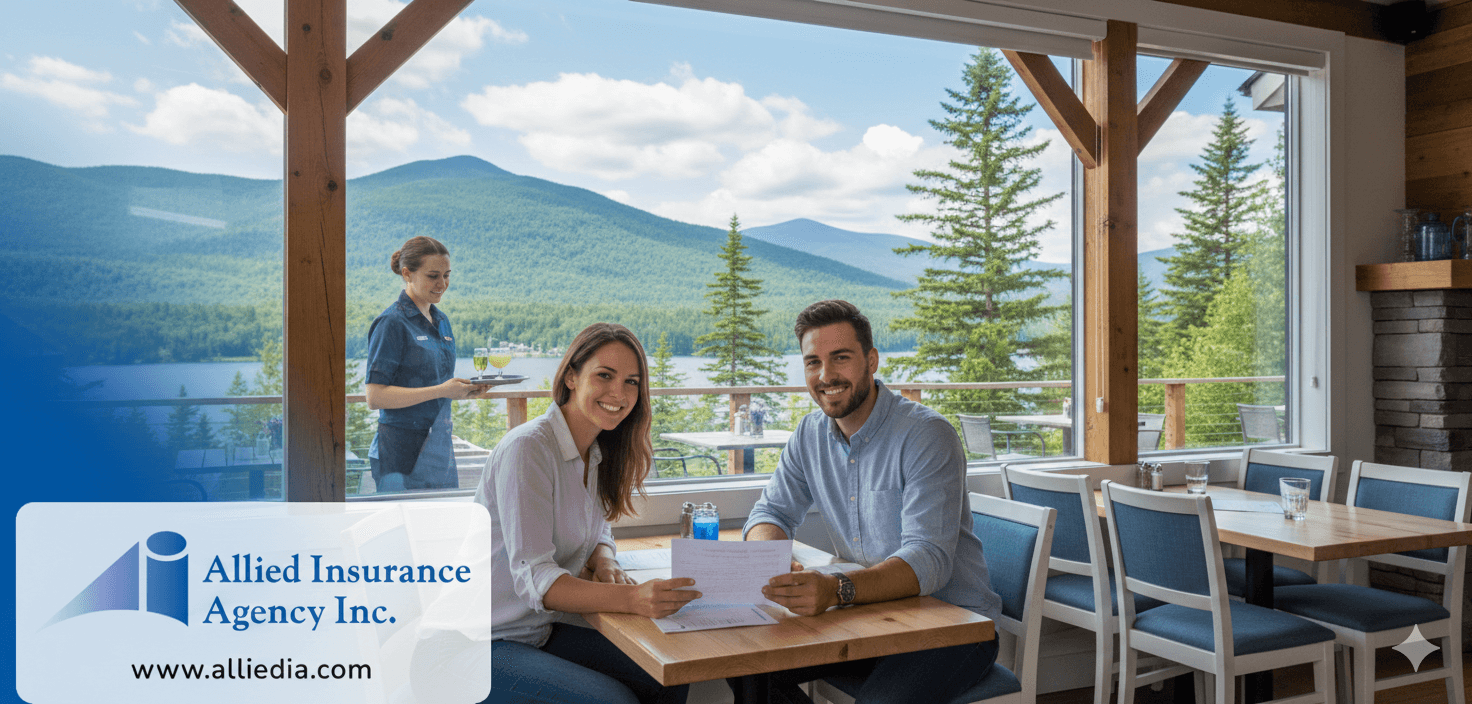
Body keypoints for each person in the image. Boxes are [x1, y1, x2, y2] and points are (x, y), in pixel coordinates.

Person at [733, 299, 1002, 704]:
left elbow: (927, 559)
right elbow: (769, 512)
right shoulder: (809, 435)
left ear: (871, 361)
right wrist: (770, 561)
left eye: (840, 358)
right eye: (813, 362)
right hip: (870, 617)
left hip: (953, 627)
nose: (825, 376)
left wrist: (835, 588)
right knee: (746, 667)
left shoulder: (926, 435)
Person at [485, 323, 699, 704]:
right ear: (571, 375)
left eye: (631, 381)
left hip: (537, 631)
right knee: (613, 701)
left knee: (668, 671)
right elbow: (539, 579)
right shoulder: (528, 450)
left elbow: (597, 528)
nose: (619, 393)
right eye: (604, 375)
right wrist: (634, 599)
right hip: (483, 642)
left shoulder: (595, 451)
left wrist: (604, 559)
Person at [365, 235, 486, 492]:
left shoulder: (441, 321)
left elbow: (435, 386)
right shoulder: (391, 323)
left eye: (447, 275)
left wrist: (464, 390)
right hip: (400, 455)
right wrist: (443, 391)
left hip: (439, 453)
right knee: (405, 531)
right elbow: (375, 396)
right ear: (407, 274)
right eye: (433, 276)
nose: (442, 283)